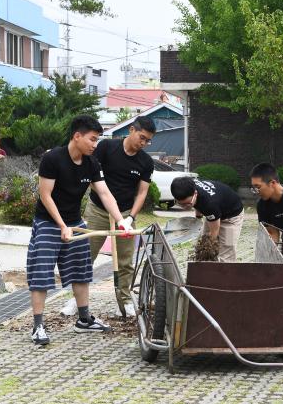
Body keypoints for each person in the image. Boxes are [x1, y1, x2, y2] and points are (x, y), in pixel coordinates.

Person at [27, 115, 133, 346]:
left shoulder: (91, 162)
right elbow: (45, 195)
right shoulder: (53, 158)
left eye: (97, 140)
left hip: (75, 221)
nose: (95, 145)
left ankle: (84, 320)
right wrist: (62, 226)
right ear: (77, 136)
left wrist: (122, 221)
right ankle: (37, 326)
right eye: (92, 139)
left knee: (82, 271)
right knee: (41, 274)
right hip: (48, 222)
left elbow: (104, 194)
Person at [84, 116, 156, 317]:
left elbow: (142, 193)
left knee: (125, 261)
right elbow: (91, 176)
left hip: (124, 215)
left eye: (148, 140)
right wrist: (105, 200)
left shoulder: (145, 162)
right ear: (132, 129)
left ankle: (124, 300)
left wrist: (131, 217)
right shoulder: (107, 147)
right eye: (142, 137)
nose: (143, 143)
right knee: (86, 256)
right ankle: (78, 300)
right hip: (98, 209)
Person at [171, 176, 244, 262]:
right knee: (202, 242)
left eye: (187, 204)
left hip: (231, 218)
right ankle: (207, 269)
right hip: (214, 213)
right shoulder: (189, 187)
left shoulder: (209, 204)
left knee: (226, 248)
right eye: (180, 204)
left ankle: (226, 273)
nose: (184, 207)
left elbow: (215, 231)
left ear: (195, 193)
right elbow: (197, 204)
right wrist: (198, 218)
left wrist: (209, 249)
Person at [249, 162, 283, 244]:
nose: (256, 191)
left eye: (258, 187)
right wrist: (272, 251)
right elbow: (272, 232)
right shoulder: (262, 205)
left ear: (272, 183)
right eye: (253, 188)